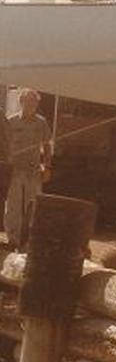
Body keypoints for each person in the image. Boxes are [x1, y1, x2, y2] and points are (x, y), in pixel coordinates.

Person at [4, 89, 52, 250]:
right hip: (15, 170)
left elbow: (47, 146)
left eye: (34, 102)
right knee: (13, 206)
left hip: (33, 170)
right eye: (27, 101)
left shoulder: (41, 123)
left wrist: (47, 167)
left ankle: (29, 240)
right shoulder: (11, 122)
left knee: (33, 206)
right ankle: (13, 240)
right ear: (21, 102)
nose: (31, 105)